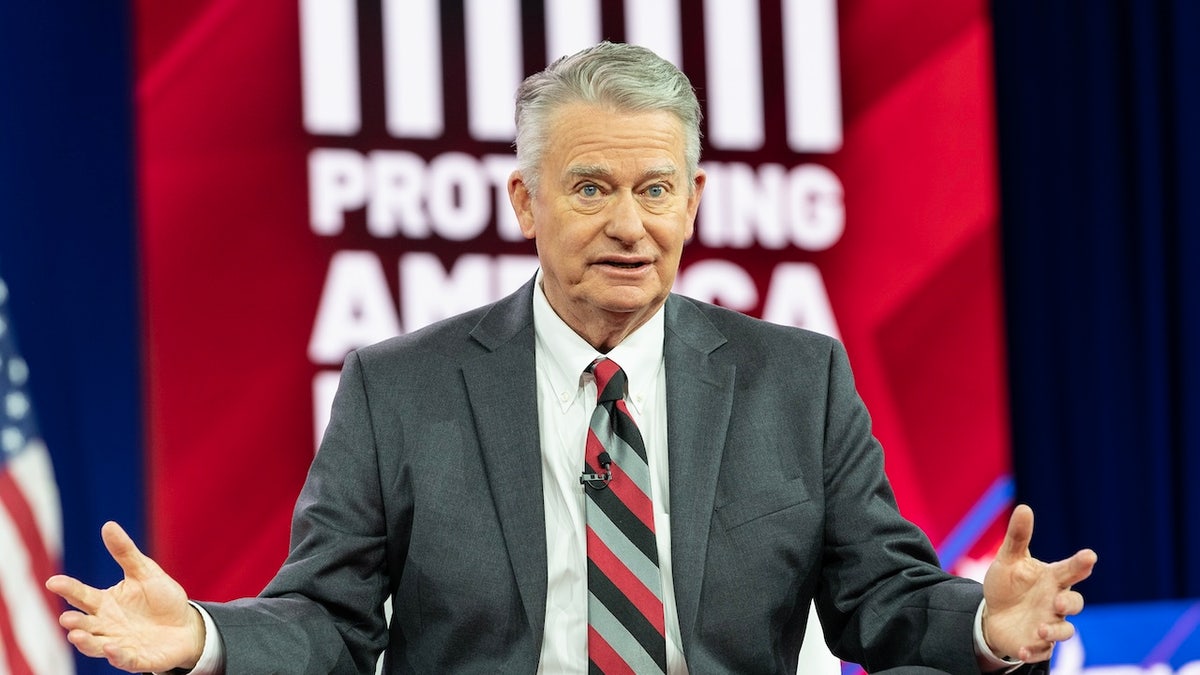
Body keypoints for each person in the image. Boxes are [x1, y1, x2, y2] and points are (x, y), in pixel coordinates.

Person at [46, 41, 1095, 674]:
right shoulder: (399, 388)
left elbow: (884, 599)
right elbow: (327, 620)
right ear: (525, 202)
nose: (629, 225)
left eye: (655, 189)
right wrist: (202, 637)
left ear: (693, 200)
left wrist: (990, 625)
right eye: (592, 188)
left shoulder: (797, 381)